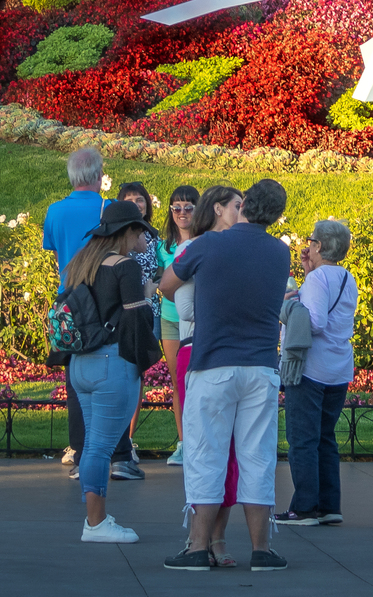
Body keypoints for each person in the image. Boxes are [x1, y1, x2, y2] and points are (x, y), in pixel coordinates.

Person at [159, 177, 292, 574]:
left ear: (245, 202)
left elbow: (167, 286)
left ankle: (198, 547)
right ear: (277, 215)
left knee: (206, 454)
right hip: (261, 365)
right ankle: (262, 551)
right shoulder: (280, 253)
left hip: (213, 362)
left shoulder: (206, 245)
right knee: (257, 456)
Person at [65, 200, 158, 544]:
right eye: (139, 231)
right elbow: (136, 319)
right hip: (111, 363)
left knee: (91, 445)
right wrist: (147, 295)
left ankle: (96, 515)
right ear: (127, 233)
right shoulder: (126, 267)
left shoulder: (81, 262)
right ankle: (96, 523)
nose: (142, 238)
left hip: (80, 363)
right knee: (101, 449)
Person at [273, 218, 357, 527]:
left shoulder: (318, 279)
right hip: (338, 368)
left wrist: (288, 306)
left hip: (311, 368)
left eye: (311, 242)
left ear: (319, 245)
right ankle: (328, 505)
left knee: (302, 439)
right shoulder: (347, 277)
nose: (307, 246)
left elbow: (316, 321)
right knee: (325, 438)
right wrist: (310, 276)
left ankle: (304, 507)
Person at [42, 146, 107, 473]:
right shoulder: (108, 209)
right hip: (102, 302)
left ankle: (81, 453)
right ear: (98, 176)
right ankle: (109, 453)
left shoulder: (55, 211)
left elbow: (56, 251)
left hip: (67, 301)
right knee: (109, 379)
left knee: (76, 383)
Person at [111, 180, 159, 481]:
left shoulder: (153, 239)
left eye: (140, 200)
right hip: (126, 313)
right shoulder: (118, 252)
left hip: (146, 314)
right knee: (121, 378)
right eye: (130, 200)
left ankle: (126, 442)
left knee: (134, 378)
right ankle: (118, 449)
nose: (136, 204)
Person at [158, 184, 199, 465]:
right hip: (170, 318)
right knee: (178, 380)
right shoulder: (164, 246)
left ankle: (199, 440)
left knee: (198, 379)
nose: (182, 213)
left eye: (188, 207)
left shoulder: (204, 241)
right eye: (176, 208)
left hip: (196, 320)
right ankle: (184, 442)